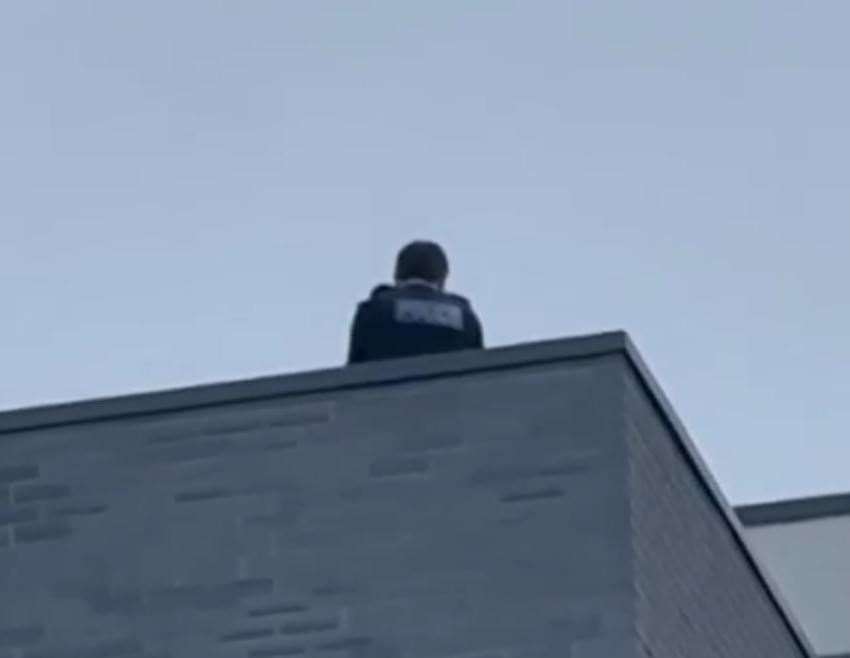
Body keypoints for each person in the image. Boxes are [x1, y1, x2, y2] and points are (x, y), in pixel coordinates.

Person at [348, 241, 484, 364]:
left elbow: (353, 374)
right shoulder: (465, 318)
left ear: (396, 274)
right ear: (443, 278)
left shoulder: (373, 310)